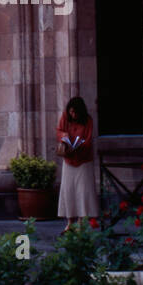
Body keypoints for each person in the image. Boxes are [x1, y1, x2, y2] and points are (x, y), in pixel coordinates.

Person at [56, 95, 98, 230]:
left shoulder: (88, 120)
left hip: (83, 159)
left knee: (83, 191)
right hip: (69, 159)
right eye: (71, 112)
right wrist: (64, 136)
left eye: (75, 112)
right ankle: (69, 222)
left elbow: (88, 139)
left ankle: (81, 220)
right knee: (68, 190)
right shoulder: (65, 117)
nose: (73, 115)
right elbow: (59, 130)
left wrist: (79, 144)